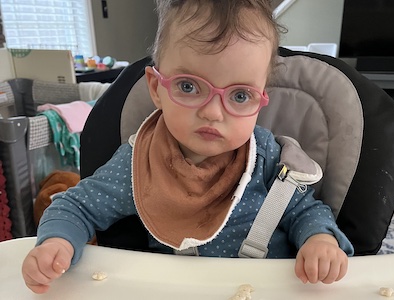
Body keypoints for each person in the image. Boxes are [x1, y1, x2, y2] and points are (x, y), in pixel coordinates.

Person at [22, 0, 354, 294]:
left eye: (240, 96)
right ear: (156, 87)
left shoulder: (268, 158)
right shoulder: (140, 163)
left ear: (261, 100)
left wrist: (320, 240)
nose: (212, 112)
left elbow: (305, 211)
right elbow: (77, 207)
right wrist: (57, 242)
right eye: (188, 86)